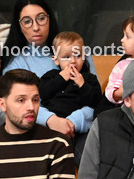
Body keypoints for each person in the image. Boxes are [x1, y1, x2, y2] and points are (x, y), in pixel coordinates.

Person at [1, 0, 99, 140]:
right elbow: (16, 106)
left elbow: (95, 99)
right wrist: (50, 120)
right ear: (19, 26)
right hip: (37, 130)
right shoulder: (16, 63)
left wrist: (75, 121)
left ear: (50, 19)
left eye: (41, 18)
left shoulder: (77, 52)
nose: (35, 27)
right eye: (27, 21)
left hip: (81, 129)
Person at [38, 31, 103, 160]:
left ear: (84, 57)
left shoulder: (89, 78)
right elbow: (42, 93)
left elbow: (96, 102)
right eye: (66, 57)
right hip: (52, 125)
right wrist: (61, 79)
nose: (73, 61)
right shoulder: (51, 76)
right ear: (56, 60)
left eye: (77, 55)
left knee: (87, 153)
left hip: (79, 130)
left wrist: (82, 84)